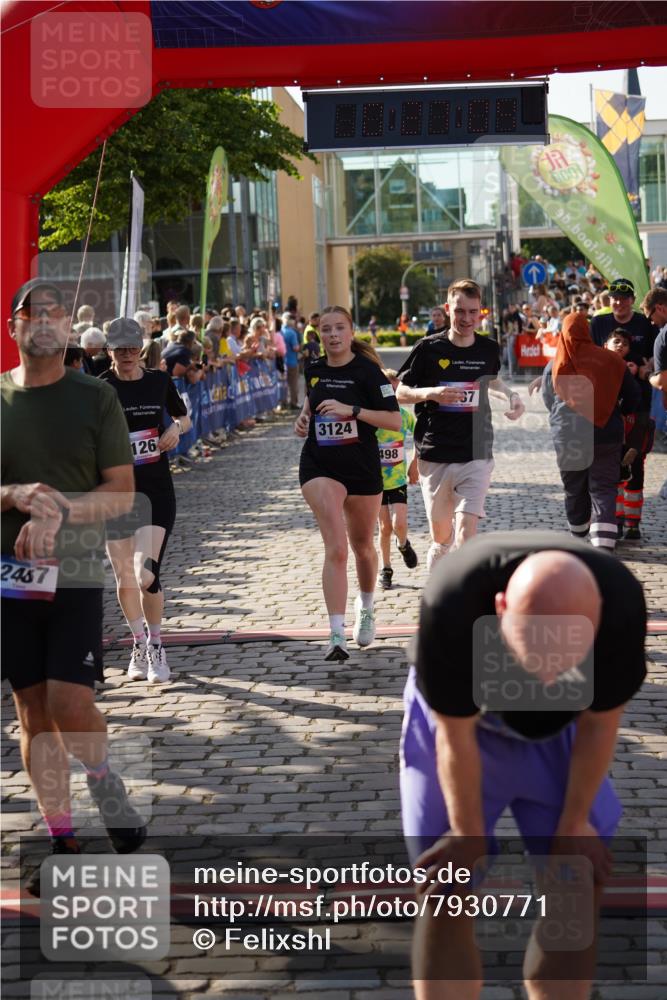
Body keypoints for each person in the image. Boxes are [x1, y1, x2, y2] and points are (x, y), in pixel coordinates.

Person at [401, 530, 646, 1000]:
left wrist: (574, 822)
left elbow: (599, 726)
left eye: (564, 663)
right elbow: (454, 736)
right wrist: (466, 833)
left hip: (563, 734)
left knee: (577, 875)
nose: (547, 678)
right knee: (444, 883)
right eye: (532, 657)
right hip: (464, 729)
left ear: (596, 621)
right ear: (500, 609)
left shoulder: (620, 607)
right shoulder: (453, 601)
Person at [1, 278, 146, 892]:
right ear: (13, 326)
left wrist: (59, 510)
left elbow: (122, 492)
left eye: (55, 313)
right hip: (10, 579)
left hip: (77, 570)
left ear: (68, 329)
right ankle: (61, 837)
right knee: (32, 709)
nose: (43, 321)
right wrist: (13, 494)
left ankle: (103, 778)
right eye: (31, 312)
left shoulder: (95, 397)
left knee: (68, 703)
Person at [294, 306, 401, 661]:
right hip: (319, 464)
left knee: (363, 548)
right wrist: (303, 419)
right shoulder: (314, 369)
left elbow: (394, 421)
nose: (333, 335)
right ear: (319, 334)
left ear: (351, 331)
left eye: (339, 328)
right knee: (336, 548)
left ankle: (366, 607)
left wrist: (351, 410)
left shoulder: (369, 373)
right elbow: (310, 406)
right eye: (326, 329)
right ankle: (336, 634)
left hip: (361, 469)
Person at [396, 279, 524, 573]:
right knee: (442, 538)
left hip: (476, 450)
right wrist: (431, 393)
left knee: (467, 533)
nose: (467, 319)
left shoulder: (488, 349)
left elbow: (491, 380)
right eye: (460, 311)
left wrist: (511, 396)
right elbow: (400, 392)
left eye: (473, 312)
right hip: (435, 452)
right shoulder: (428, 348)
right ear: (447, 309)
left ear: (481, 312)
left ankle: (463, 593)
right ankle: (439, 577)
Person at [100, 318, 190, 684]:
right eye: (119, 348)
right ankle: (138, 643)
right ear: (109, 350)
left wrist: (174, 429)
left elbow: (184, 417)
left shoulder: (159, 381)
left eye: (132, 347)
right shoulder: (99, 389)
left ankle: (156, 644)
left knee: (145, 574)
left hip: (155, 491)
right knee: (124, 576)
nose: (126, 354)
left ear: (141, 348)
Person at [539, 312, 640, 551]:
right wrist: (617, 411)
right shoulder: (612, 360)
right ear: (588, 332)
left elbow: (549, 399)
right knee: (604, 488)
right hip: (606, 433)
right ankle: (603, 547)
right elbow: (633, 395)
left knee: (574, 488)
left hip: (569, 435)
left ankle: (578, 541)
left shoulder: (555, 364)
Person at [605, 329, 655, 541]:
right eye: (616, 341)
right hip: (610, 430)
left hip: (635, 427)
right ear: (606, 345)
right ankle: (615, 521)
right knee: (612, 476)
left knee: (635, 474)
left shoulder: (637, 366)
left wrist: (637, 376)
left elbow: (645, 400)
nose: (620, 346)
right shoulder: (600, 366)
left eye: (625, 344)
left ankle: (633, 523)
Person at [376, 369, 419, 590]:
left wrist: (414, 463)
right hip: (375, 481)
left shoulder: (403, 415)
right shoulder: (372, 416)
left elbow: (421, 434)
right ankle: (386, 568)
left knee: (399, 524)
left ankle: (403, 544)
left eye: (395, 391)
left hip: (398, 479)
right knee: (384, 527)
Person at [590, 278, 656, 360]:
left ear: (633, 300)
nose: (619, 302)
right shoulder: (597, 323)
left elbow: (656, 353)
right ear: (609, 300)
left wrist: (648, 365)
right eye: (615, 298)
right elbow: (591, 354)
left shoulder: (646, 322)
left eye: (624, 298)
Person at [281, 311, 301, 409]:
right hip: (292, 361)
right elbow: (295, 348)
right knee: (293, 384)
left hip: (281, 362)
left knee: (283, 384)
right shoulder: (292, 332)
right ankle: (293, 403)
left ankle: (283, 403)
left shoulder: (280, 331)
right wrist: (300, 348)